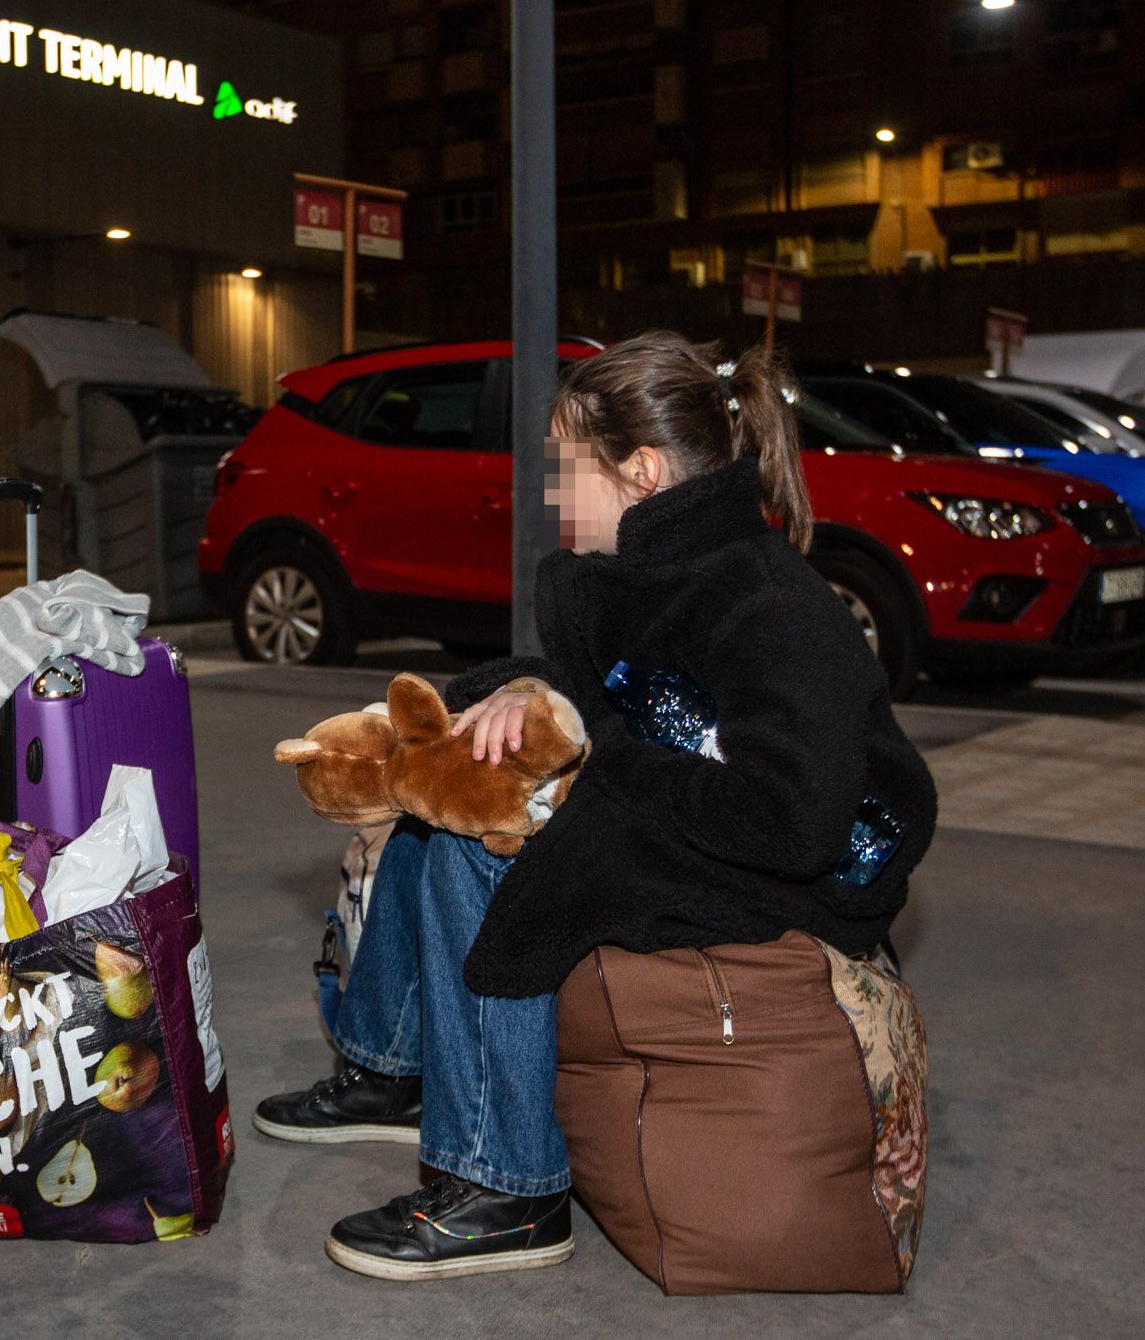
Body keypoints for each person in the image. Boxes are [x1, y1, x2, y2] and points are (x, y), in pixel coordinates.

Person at [254, 331, 937, 1282]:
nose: (553, 497)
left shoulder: (771, 604)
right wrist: (486, 707)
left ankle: (508, 1187)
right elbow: (597, 688)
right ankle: (391, 1065)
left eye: (568, 472)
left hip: (803, 863)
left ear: (644, 473)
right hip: (698, 804)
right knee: (442, 791)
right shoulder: (643, 571)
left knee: (484, 848)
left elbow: (793, 820)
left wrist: (592, 763)